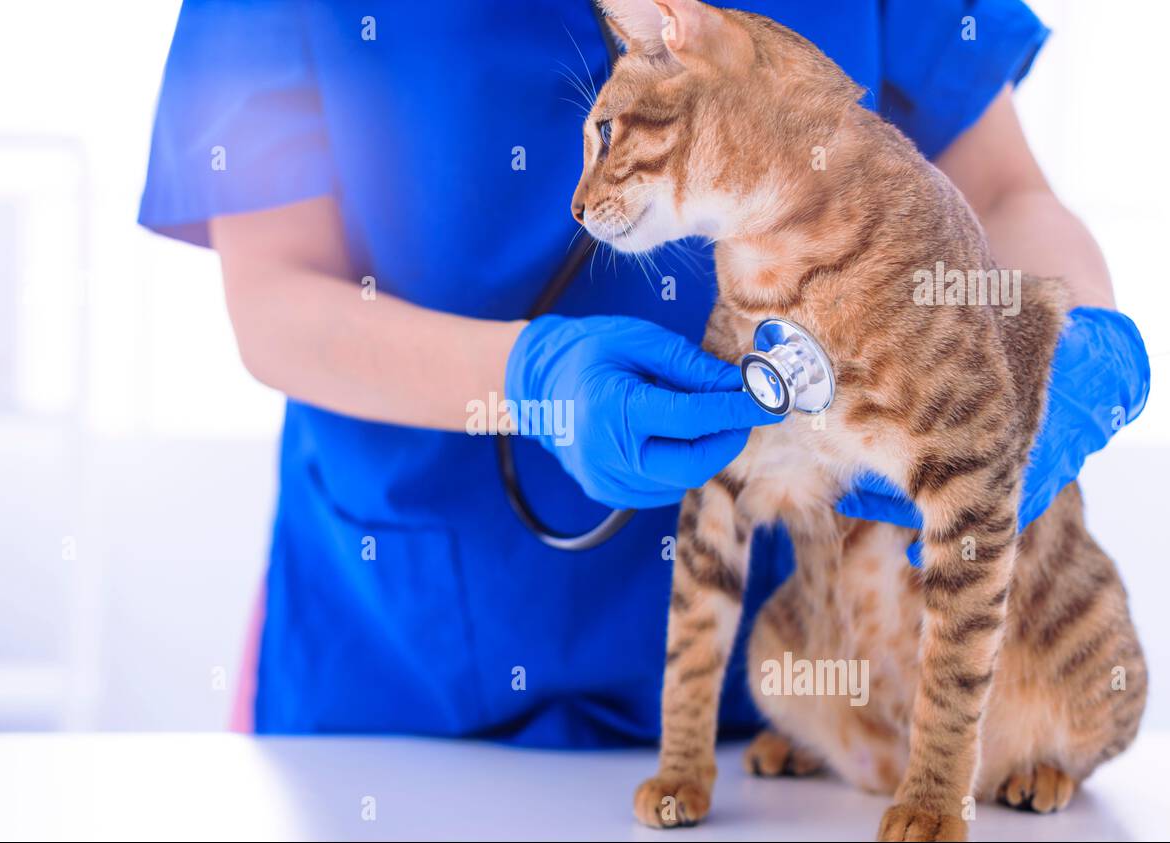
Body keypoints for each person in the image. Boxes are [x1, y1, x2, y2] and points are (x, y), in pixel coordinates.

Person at [139, 0, 1149, 747]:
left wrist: (1067, 336)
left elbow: (1007, 189)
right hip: (398, 685)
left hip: (782, 715)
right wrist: (530, 379)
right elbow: (274, 300)